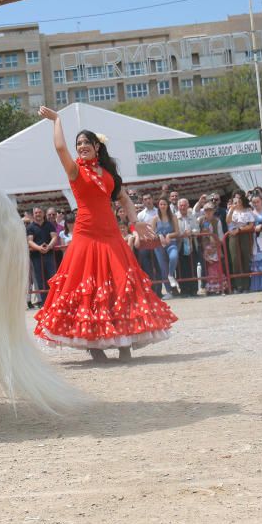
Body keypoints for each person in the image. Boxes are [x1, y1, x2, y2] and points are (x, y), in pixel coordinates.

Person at [31, 106, 177, 362]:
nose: (81, 146)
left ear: (97, 147)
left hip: (111, 235)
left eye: (87, 142)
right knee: (87, 290)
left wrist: (135, 222)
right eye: (79, 143)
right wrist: (56, 120)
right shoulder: (75, 170)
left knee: (120, 286)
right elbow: (59, 148)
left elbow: (124, 199)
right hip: (86, 237)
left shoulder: (109, 174)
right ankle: (94, 346)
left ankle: (123, 343)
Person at [26, 207, 59, 307]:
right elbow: (29, 241)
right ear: (33, 214)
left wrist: (48, 247)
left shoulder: (49, 225)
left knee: (52, 278)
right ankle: (45, 304)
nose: (38, 214)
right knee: (40, 281)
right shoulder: (30, 227)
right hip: (36, 257)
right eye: (36, 213)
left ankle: (55, 302)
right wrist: (39, 248)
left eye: (39, 212)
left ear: (43, 213)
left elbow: (54, 237)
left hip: (49, 256)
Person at [226, 191, 254, 294]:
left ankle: (246, 285)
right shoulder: (231, 210)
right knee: (235, 260)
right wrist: (231, 209)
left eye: (239, 197)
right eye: (235, 197)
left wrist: (241, 229)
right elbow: (228, 221)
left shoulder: (248, 209)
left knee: (245, 258)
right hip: (233, 236)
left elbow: (251, 225)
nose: (237, 199)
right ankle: (238, 285)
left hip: (245, 234)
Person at [154, 198, 180, 298]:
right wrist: (159, 236)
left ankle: (170, 275)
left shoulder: (173, 217)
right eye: (161, 204)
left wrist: (169, 235)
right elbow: (152, 233)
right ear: (158, 206)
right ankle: (169, 291)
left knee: (174, 257)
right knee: (163, 268)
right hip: (159, 246)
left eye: (164, 204)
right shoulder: (155, 218)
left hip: (171, 243)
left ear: (168, 206)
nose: (163, 206)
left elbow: (177, 232)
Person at [198, 203, 225, 295]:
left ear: (213, 211)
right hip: (204, 248)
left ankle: (219, 288)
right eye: (206, 210)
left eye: (210, 210)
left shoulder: (217, 221)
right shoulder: (200, 220)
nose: (208, 212)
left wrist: (215, 246)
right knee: (206, 269)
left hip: (215, 248)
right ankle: (208, 288)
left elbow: (221, 237)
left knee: (216, 269)